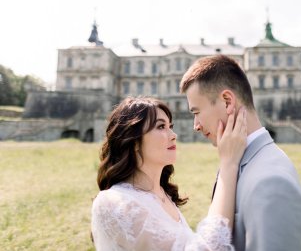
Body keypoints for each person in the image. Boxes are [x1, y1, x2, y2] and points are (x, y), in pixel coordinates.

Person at [180, 55, 301, 251]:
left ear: (227, 101)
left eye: (196, 112)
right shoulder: (241, 158)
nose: (196, 126)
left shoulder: (272, 184)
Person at [91, 96, 247, 250]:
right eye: (160, 127)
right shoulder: (113, 203)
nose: (173, 135)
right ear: (134, 141)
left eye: (170, 126)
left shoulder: (163, 195)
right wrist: (228, 164)